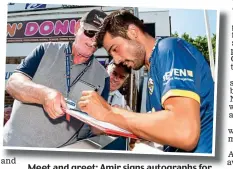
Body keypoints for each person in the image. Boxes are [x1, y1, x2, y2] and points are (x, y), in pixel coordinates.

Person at [78, 10, 214, 153]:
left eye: (115, 49)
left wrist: (109, 114)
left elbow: (184, 132)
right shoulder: (153, 71)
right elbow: (165, 128)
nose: (116, 60)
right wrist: (143, 134)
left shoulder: (169, 49)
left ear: (132, 32)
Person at [3, 9, 109, 148]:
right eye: (90, 32)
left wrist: (110, 118)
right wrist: (44, 95)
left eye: (100, 38)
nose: (94, 41)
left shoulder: (103, 78)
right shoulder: (45, 50)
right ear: (77, 27)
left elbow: (97, 128)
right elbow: (13, 84)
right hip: (12, 145)